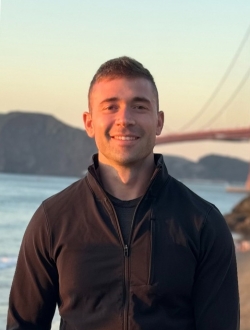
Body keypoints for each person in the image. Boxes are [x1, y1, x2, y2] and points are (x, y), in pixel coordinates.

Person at [7, 56, 239, 330]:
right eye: (111, 107)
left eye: (139, 106)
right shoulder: (52, 220)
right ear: (89, 122)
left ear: (159, 121)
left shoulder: (203, 222)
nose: (125, 119)